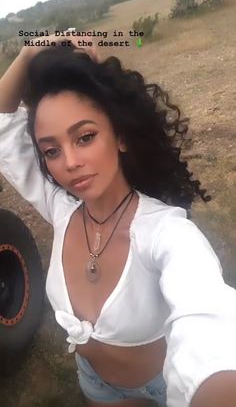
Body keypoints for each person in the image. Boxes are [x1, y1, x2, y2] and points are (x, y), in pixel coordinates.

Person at [0, 33, 236, 407]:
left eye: (85, 137)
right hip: (95, 384)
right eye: (51, 150)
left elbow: (211, 330)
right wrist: (29, 53)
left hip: (160, 390)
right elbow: (2, 124)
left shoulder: (167, 234)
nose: (70, 162)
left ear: (120, 136)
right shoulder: (62, 211)